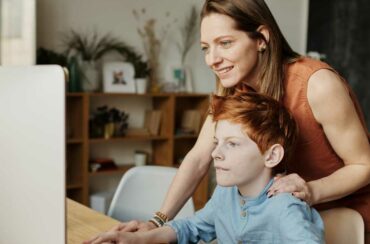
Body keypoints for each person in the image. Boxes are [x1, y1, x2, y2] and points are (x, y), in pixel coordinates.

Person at [90, 0, 370, 241]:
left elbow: (364, 164)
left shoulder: (317, 84)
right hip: (274, 220)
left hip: (342, 220)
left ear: (261, 38)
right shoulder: (232, 89)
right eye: (205, 47)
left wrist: (311, 191)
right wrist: (156, 222)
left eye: (225, 43)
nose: (212, 59)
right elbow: (199, 157)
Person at [85, 92, 325, 244]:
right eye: (217, 142)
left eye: (231, 144)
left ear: (271, 156)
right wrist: (138, 240)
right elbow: (191, 227)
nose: (215, 153)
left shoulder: (285, 207)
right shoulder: (226, 193)